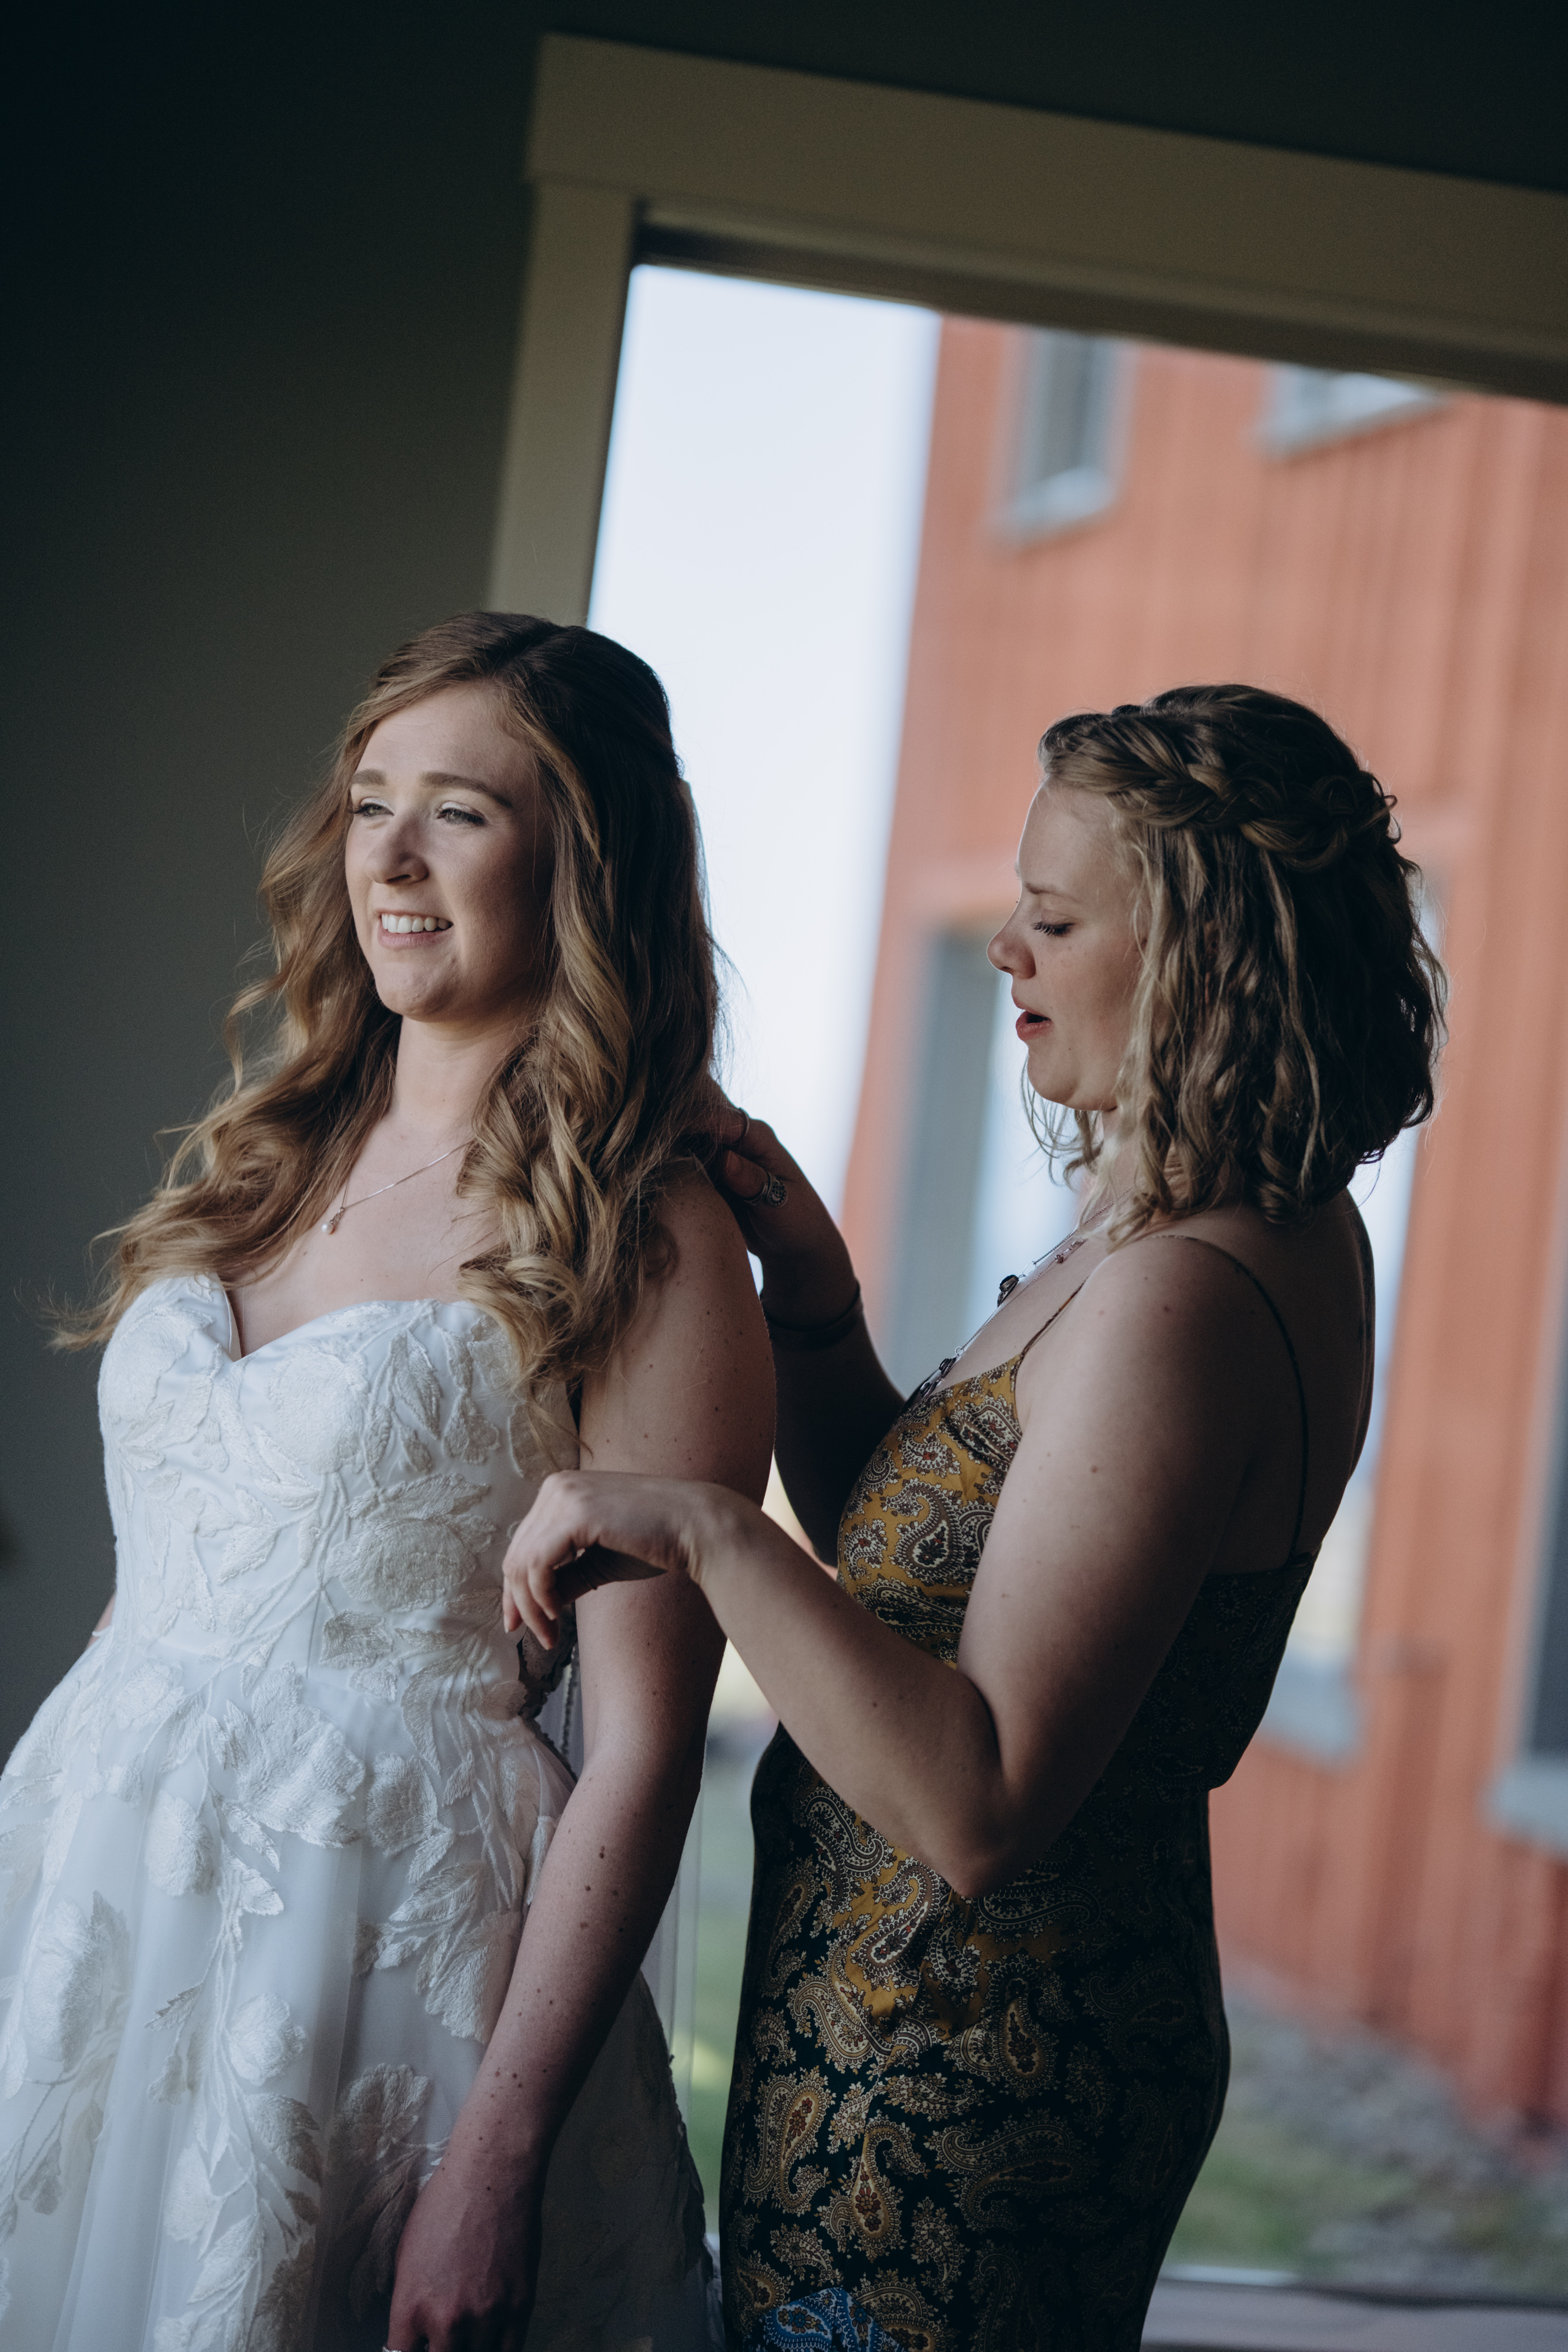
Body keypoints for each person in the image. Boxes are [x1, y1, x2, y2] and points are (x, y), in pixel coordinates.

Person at [504, 686, 1446, 2352]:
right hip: (912, 2034)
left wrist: (711, 1531)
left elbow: (979, 1797)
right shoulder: (1192, 1232)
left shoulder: (1181, 1301)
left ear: (1209, 960)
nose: (1005, 948)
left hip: (973, 2085)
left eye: (1056, 919)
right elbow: (931, 1577)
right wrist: (813, 1294)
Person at [0, 614, 773, 2352]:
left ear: (582, 865)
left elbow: (644, 1750)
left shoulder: (641, 1232)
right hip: (100, 1899)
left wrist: (495, 2162)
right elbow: (169, 1582)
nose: (392, 859)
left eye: (460, 814)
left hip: (378, 1961)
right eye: (369, 804)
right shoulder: (268, 1150)